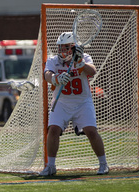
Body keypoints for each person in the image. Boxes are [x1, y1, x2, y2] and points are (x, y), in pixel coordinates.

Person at [41, 32, 109, 176]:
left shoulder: (84, 58)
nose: (62, 51)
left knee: (91, 131)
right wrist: (56, 78)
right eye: (60, 47)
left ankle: (103, 164)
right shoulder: (54, 60)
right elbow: (47, 74)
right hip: (61, 102)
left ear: (73, 48)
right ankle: (51, 166)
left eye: (66, 47)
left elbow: (93, 71)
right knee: (53, 130)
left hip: (82, 102)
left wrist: (80, 64)